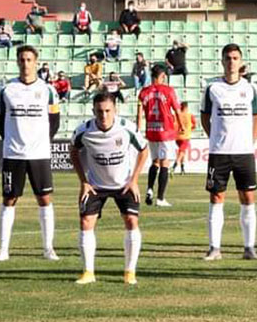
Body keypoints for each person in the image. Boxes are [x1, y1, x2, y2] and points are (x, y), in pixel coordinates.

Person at [71, 92, 150, 285]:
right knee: (86, 222)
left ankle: (130, 272)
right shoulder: (84, 131)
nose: (104, 116)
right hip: (96, 185)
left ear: (115, 110)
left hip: (123, 184)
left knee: (131, 221)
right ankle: (88, 272)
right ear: (93, 111)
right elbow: (73, 151)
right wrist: (84, 182)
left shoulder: (126, 128)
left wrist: (134, 180)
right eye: (99, 111)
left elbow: (144, 150)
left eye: (108, 111)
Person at [0, 45, 62, 262]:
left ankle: (48, 248)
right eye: (22, 60)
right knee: (9, 199)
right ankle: (3, 250)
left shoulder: (48, 91)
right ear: (17, 62)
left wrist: (40, 141)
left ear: (36, 62)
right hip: (13, 154)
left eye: (29, 60)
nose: (25, 64)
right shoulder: (6, 91)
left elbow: (55, 121)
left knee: (44, 198)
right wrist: (14, 141)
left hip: (39, 153)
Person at [200, 44, 257, 261]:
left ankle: (249, 248)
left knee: (248, 197)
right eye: (228, 58)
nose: (231, 62)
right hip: (219, 153)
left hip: (244, 153)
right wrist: (215, 138)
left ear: (241, 61)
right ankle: (214, 248)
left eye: (235, 58)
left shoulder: (251, 88)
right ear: (222, 61)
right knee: (216, 197)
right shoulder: (212, 88)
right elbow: (204, 117)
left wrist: (250, 140)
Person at [137, 65, 182, 208]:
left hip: (151, 130)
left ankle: (150, 189)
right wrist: (181, 125)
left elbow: (139, 114)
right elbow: (177, 110)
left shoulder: (143, 92)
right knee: (165, 163)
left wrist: (138, 129)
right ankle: (161, 198)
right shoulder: (168, 91)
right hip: (166, 131)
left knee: (154, 161)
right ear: (162, 76)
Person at [175, 102, 195, 175]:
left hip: (177, 137)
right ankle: (175, 164)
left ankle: (182, 168)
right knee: (182, 152)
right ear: (186, 107)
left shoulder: (177, 115)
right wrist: (189, 130)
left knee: (182, 152)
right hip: (185, 136)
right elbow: (194, 125)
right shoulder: (190, 115)